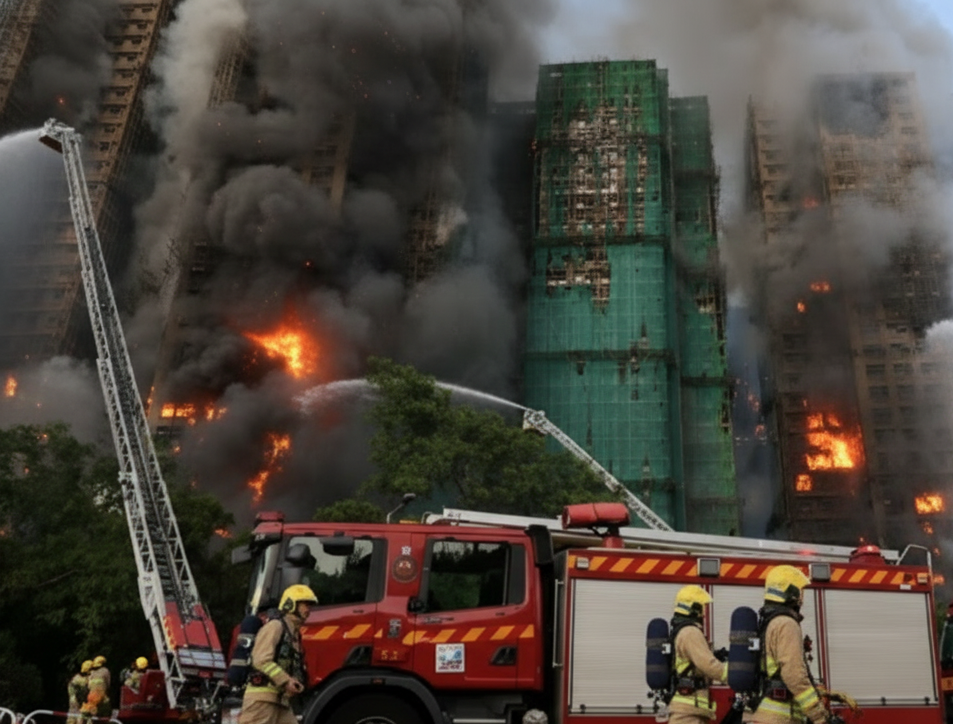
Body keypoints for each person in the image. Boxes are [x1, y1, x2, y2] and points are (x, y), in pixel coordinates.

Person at [745, 565, 833, 724]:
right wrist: (819, 716)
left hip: (764, 713)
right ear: (790, 592)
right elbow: (794, 675)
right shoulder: (786, 623)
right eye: (799, 590)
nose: (801, 597)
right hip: (781, 717)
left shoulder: (769, 621)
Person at [238, 584, 318, 724]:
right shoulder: (275, 626)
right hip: (261, 699)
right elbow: (261, 660)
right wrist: (286, 680)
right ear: (290, 605)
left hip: (280, 700)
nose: (308, 610)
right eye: (305, 605)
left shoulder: (293, 633)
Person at [668, 585, 728, 723]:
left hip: (688, 709)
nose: (704, 613)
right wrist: (736, 674)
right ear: (694, 608)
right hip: (688, 712)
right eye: (702, 608)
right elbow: (708, 665)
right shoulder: (691, 632)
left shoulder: (681, 630)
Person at [82, 655, 112, 719]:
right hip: (102, 699)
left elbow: (88, 686)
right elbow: (108, 685)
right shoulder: (105, 671)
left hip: (91, 700)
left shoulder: (91, 673)